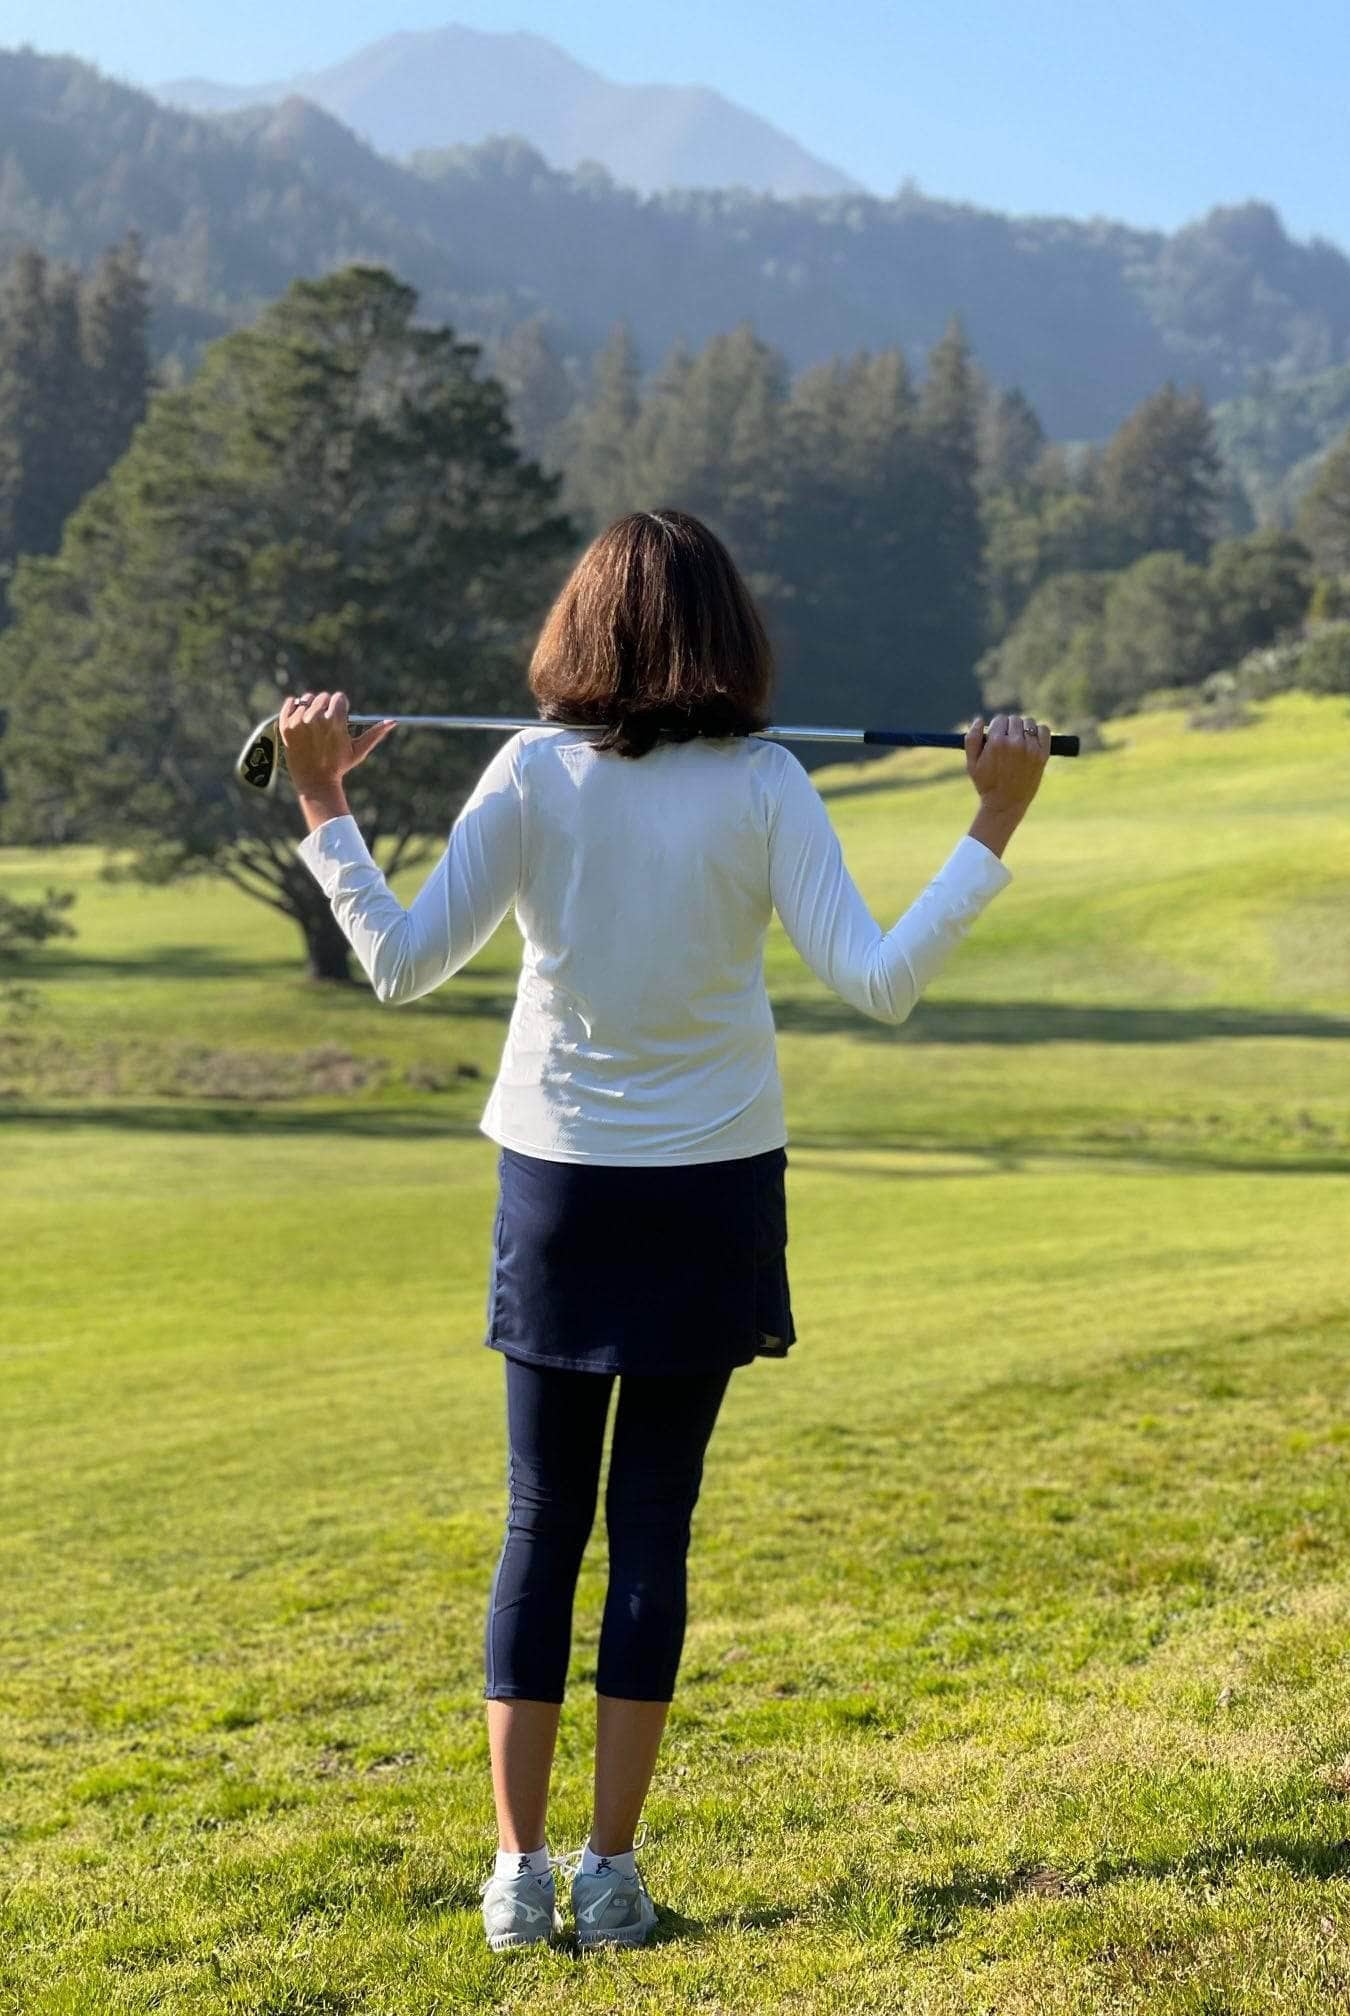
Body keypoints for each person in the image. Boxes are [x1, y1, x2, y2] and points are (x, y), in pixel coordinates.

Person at [284, 509, 1051, 1954]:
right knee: (649, 1525)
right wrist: (991, 817)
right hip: (707, 1186)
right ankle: (608, 1872)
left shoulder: (530, 770)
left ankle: (519, 1884)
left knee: (540, 1521)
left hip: (563, 1186)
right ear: (728, 636)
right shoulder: (762, 781)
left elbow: (395, 964)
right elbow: (877, 983)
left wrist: (326, 800)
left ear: (578, 633)